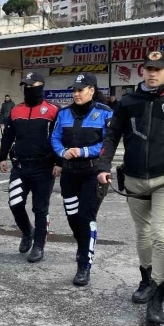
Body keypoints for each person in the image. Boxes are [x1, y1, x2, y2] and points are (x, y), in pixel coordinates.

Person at [97, 50, 164, 325]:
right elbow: (111, 136)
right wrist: (103, 165)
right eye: (148, 69)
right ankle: (146, 280)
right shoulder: (128, 101)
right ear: (142, 71)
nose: (152, 73)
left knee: (161, 236)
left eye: (158, 69)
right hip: (133, 179)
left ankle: (157, 294)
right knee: (143, 234)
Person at [51, 73, 113, 287]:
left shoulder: (104, 113)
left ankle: (84, 264)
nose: (76, 93)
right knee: (72, 217)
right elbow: (55, 137)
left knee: (86, 217)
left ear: (92, 90)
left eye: (81, 90)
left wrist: (84, 151)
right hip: (69, 174)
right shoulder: (63, 113)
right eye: (74, 90)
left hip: (93, 174)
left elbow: (109, 143)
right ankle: (83, 245)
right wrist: (62, 152)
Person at [0, 72, 59, 262]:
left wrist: (59, 162)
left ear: (41, 86)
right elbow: (8, 136)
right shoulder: (16, 110)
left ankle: (38, 246)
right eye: (26, 85)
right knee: (15, 203)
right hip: (20, 167)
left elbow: (59, 138)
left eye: (32, 85)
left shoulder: (52, 110)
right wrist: (2, 157)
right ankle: (27, 232)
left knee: (40, 209)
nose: (28, 89)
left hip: (44, 168)